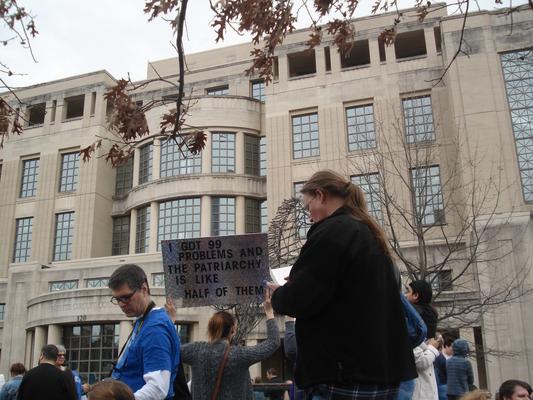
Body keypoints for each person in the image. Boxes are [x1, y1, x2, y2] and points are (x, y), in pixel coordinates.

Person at [269, 170, 417, 399]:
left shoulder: (333, 233)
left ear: (320, 195)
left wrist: (279, 293)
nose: (309, 216)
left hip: (344, 373)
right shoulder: (368, 233)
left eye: (308, 207)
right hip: (379, 371)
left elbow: (299, 299)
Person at [180, 290, 279, 400]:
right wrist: (269, 311)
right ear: (233, 330)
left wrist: (171, 319)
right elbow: (273, 342)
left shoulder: (195, 350)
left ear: (210, 329)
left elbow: (170, 349)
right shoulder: (239, 354)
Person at [109, 264, 180, 400]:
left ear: (144, 289)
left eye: (126, 297)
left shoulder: (155, 328)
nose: (122, 304)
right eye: (117, 299)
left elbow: (158, 388)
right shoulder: (145, 320)